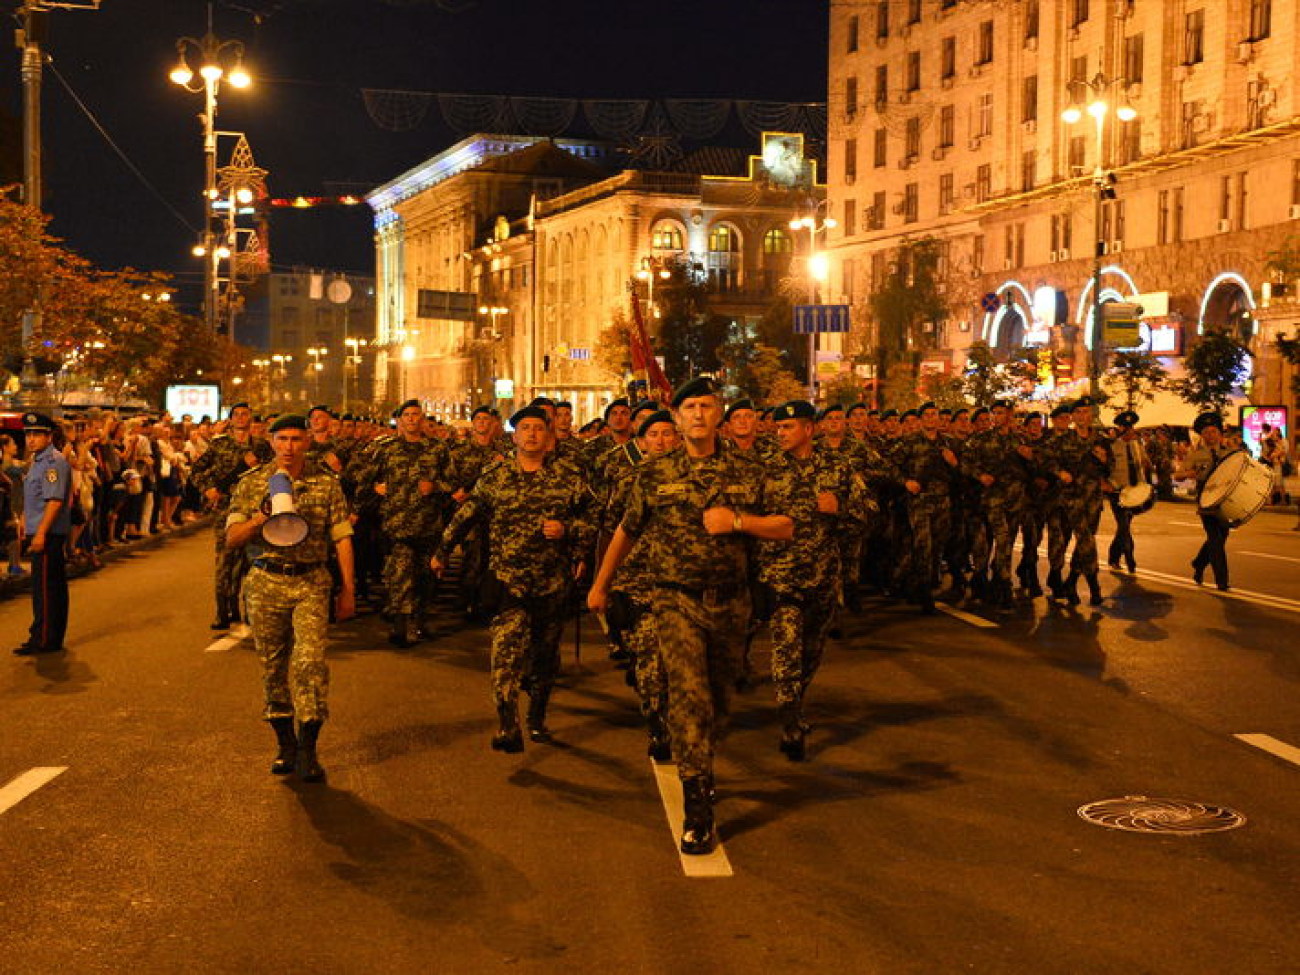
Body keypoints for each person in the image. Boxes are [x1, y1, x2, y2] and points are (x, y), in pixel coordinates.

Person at [588, 376, 793, 855]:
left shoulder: (750, 468)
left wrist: (738, 522)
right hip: (675, 598)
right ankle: (698, 801)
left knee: (720, 698)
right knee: (688, 693)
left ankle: (704, 760)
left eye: (706, 405)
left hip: (732, 600)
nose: (698, 414)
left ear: (719, 413)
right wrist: (601, 584)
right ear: (675, 418)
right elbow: (627, 530)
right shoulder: (655, 473)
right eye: (689, 407)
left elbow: (786, 525)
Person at [431, 405, 593, 752]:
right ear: (514, 437)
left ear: (549, 439)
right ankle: (508, 723)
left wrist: (569, 531)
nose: (532, 434)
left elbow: (593, 519)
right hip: (508, 580)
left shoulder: (568, 477)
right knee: (504, 653)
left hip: (551, 583)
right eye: (525, 428)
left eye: (539, 428)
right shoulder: (495, 476)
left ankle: (537, 716)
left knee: (544, 656)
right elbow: (467, 514)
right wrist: (442, 550)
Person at [225, 414, 356, 782]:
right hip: (266, 581)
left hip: (311, 581)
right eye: (282, 439)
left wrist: (348, 590)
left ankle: (308, 746)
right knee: (273, 666)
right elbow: (232, 538)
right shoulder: (252, 484)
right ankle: (285, 744)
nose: (289, 446)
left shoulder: (326, 484)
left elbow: (342, 537)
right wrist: (259, 519)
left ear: (308, 442)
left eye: (297, 439)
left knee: (310, 663)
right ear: (270, 441)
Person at [760, 400, 871, 759]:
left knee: (811, 650)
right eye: (778, 428)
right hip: (781, 576)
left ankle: (796, 700)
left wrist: (840, 508)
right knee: (786, 648)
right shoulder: (766, 470)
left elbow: (869, 510)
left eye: (788, 427)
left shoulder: (837, 468)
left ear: (809, 429)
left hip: (823, 575)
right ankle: (789, 719)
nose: (780, 433)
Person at [189, 403, 273, 629]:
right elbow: (196, 471)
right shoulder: (219, 445)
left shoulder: (262, 447)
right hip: (226, 509)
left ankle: (248, 608)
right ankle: (222, 610)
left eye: (245, 414)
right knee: (225, 561)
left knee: (253, 561)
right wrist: (207, 488)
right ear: (230, 419)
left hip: (254, 510)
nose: (240, 418)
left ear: (251, 418)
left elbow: (274, 473)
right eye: (236, 414)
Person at [15, 413, 72, 656]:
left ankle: (46, 638)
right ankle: (42, 633)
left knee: (48, 590)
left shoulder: (52, 462)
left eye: (37, 434)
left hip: (47, 534)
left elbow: (54, 501)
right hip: (39, 531)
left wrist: (39, 534)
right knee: (44, 588)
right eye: (28, 434)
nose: (31, 439)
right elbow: (36, 500)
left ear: (49, 436)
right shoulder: (37, 461)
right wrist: (25, 523)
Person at [1178, 412, 1238, 591]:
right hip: (1205, 501)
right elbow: (1178, 475)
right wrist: (1188, 474)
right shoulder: (1196, 455)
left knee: (1222, 536)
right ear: (1202, 435)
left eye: (1213, 431)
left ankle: (1199, 563)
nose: (1210, 435)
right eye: (1206, 432)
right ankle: (1222, 580)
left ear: (1220, 433)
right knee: (1215, 538)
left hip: (1225, 501)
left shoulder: (1231, 452)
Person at [1105, 411, 1151, 573]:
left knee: (1124, 526)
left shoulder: (1137, 445)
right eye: (1127, 428)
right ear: (1120, 429)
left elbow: (1145, 465)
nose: (1131, 431)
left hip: (1134, 492)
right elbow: (1105, 470)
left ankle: (1113, 557)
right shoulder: (1111, 446)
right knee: (1123, 526)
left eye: (1132, 428)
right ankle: (1130, 559)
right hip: (1117, 492)